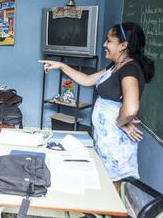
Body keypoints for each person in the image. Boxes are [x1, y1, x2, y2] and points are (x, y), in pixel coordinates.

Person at [39, 22, 155, 190]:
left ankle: (110, 215)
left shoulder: (130, 70)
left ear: (123, 45)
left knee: (112, 187)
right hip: (106, 138)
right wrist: (62, 66)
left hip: (115, 142)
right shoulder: (116, 66)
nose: (104, 45)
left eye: (109, 41)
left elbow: (130, 108)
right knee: (105, 183)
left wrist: (121, 123)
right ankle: (102, 215)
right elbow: (87, 80)